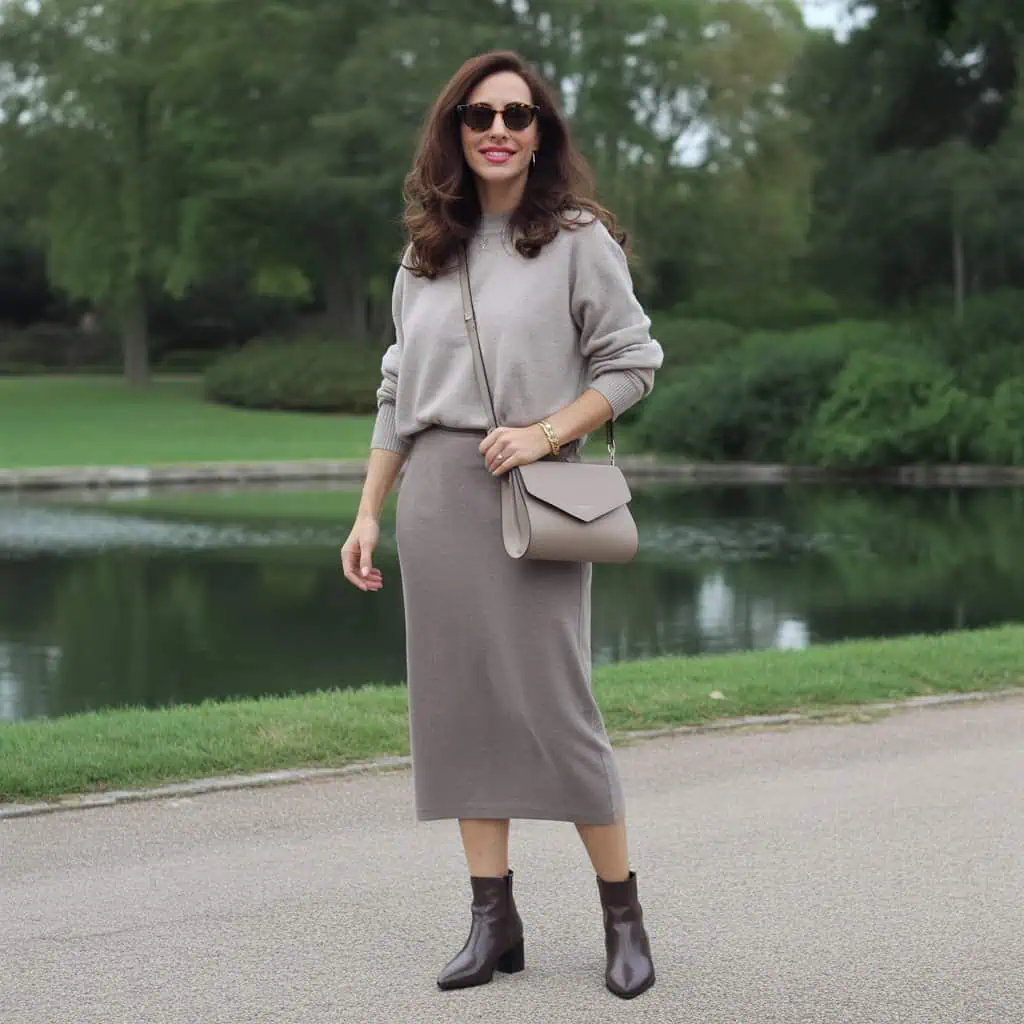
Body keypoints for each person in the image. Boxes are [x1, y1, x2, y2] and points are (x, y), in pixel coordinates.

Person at [340, 49, 664, 1000]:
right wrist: (366, 511)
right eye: (478, 114)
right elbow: (396, 392)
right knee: (458, 710)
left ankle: (623, 916)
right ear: (455, 129)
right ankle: (494, 920)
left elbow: (632, 363)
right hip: (436, 498)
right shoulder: (423, 254)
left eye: (516, 115)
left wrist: (545, 432)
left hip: (536, 500)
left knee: (557, 707)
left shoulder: (577, 240)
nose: (496, 130)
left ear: (539, 134)